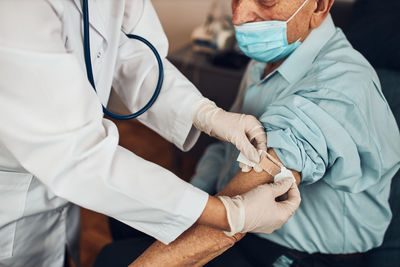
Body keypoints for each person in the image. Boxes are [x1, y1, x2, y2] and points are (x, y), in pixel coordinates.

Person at [94, 0, 400, 266]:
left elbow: (238, 214)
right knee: (123, 221)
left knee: (112, 259)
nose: (239, 17)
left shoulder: (336, 88)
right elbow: (225, 150)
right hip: (254, 228)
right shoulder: (268, 59)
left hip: (299, 254)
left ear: (319, 5)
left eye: (265, 0)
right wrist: (197, 197)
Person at [0, 1, 302, 266]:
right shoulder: (18, 10)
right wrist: (229, 215)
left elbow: (133, 53)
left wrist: (205, 114)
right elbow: (78, 154)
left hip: (58, 191)